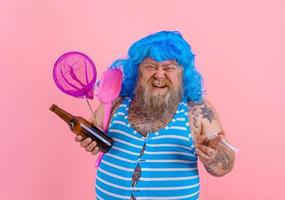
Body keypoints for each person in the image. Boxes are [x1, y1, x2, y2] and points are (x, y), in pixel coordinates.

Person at [75, 31, 235, 199]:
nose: (159, 75)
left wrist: (214, 157)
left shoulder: (197, 110)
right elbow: (92, 133)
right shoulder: (114, 104)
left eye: (169, 68)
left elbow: (225, 165)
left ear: (182, 73)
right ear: (137, 71)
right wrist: (88, 141)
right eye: (150, 66)